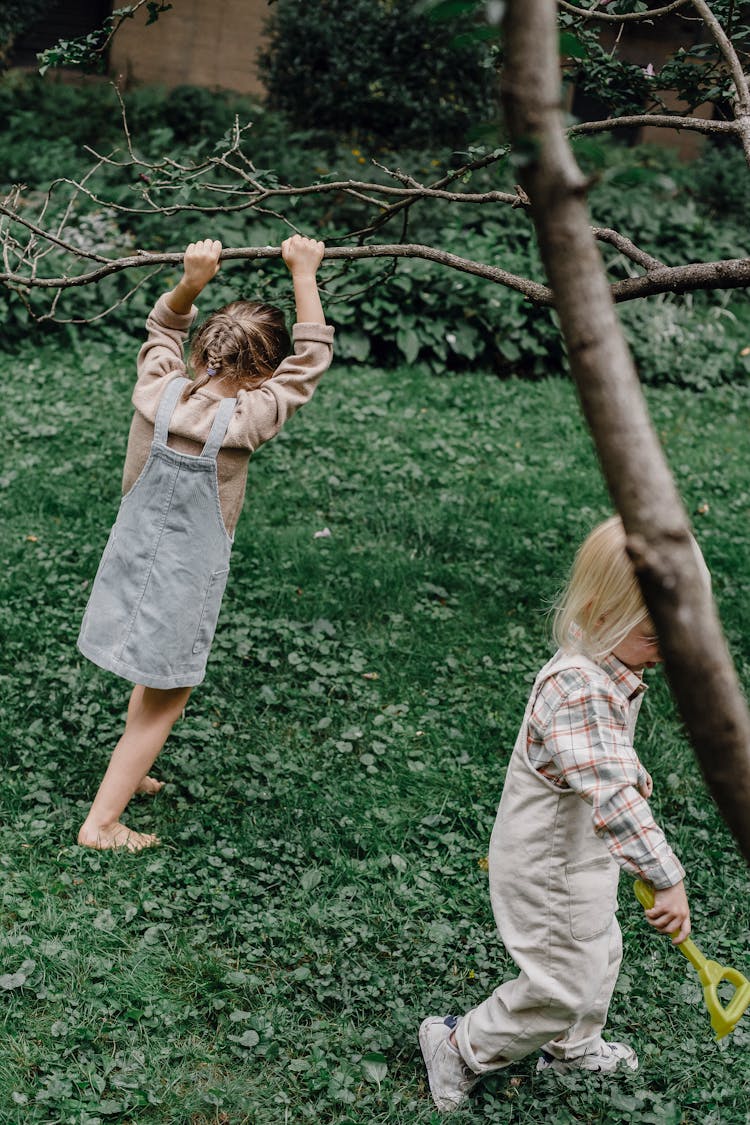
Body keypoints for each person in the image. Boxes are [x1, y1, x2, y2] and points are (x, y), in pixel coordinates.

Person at [419, 515, 694, 1113]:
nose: (667, 652)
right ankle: (459, 1047)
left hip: (581, 856)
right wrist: (664, 876)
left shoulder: (604, 659)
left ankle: (572, 1047)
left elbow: (607, 772)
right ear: (601, 615)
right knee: (562, 981)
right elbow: (616, 793)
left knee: (599, 950)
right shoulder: (579, 691)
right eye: (654, 637)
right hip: (548, 868)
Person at [77, 234, 333, 852]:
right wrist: (304, 273)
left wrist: (191, 282)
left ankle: (129, 772)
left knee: (153, 672)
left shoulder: (156, 388)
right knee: (170, 693)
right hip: (185, 574)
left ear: (198, 352)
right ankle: (102, 823)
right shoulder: (249, 419)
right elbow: (310, 366)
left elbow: (161, 330)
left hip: (134, 558)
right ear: (265, 374)